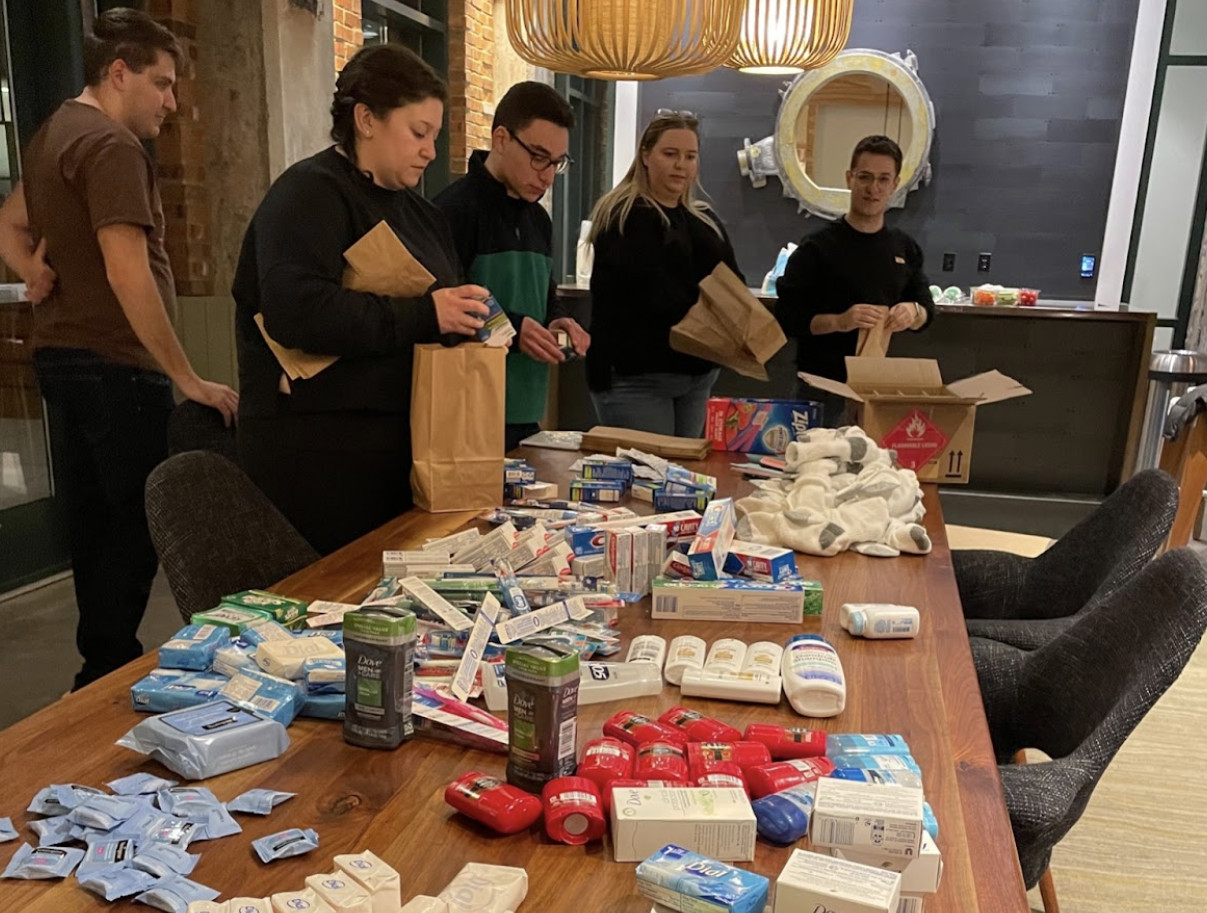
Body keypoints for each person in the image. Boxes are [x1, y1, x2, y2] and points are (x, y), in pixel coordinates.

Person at [0, 9, 238, 690]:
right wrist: (186, 376)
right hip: (114, 366)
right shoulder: (109, 146)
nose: (171, 100)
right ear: (117, 73)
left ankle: (98, 668)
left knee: (95, 531)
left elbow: (9, 223)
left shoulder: (52, 135)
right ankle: (104, 678)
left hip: (63, 359)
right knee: (132, 534)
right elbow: (127, 269)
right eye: (161, 84)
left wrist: (33, 272)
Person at [232, 44, 489, 555]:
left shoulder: (423, 216)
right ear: (366, 119)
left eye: (435, 136)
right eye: (418, 133)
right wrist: (425, 312)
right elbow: (294, 311)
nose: (430, 152)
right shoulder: (308, 193)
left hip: (409, 451)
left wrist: (482, 321)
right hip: (318, 464)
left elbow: (439, 313)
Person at [434, 81, 590, 452]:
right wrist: (517, 331)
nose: (548, 175)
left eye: (557, 163)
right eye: (538, 156)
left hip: (526, 408)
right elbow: (441, 308)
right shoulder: (451, 211)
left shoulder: (539, 219)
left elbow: (544, 293)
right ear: (501, 139)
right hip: (466, 411)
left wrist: (557, 320)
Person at [586, 110, 742, 437]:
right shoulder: (624, 216)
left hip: (697, 374)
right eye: (670, 154)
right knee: (648, 481)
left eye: (690, 156)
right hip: (636, 377)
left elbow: (733, 285)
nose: (680, 165)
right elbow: (653, 296)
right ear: (646, 155)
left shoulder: (702, 220)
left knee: (685, 480)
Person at [775, 135, 935, 427]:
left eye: (883, 179)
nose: (873, 189)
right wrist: (840, 321)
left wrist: (913, 312)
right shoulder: (817, 247)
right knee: (815, 469)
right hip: (820, 388)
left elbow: (927, 308)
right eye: (865, 177)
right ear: (849, 178)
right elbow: (787, 317)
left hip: (878, 389)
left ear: (895, 184)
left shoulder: (905, 249)